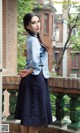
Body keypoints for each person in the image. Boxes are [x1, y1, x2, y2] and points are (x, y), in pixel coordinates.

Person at [14, 12, 52, 133]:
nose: (37, 25)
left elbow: (30, 60)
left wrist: (28, 70)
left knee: (28, 117)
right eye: (33, 23)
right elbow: (36, 62)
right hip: (36, 80)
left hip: (31, 80)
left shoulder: (31, 39)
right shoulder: (34, 40)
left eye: (38, 22)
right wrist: (31, 70)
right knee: (35, 119)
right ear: (27, 26)